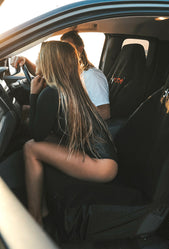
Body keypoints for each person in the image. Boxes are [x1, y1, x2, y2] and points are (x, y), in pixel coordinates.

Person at [23, 41, 118, 225]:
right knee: (42, 143)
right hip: (104, 160)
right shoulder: (70, 89)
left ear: (49, 61)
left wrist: (33, 94)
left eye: (39, 57)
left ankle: (35, 219)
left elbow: (36, 135)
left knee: (30, 148)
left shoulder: (50, 93)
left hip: (101, 165)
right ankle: (43, 212)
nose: (36, 60)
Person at [11, 31, 110, 120]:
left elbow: (105, 113)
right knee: (24, 110)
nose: (63, 51)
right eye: (61, 47)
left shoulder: (91, 75)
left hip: (80, 130)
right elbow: (43, 71)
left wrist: (71, 121)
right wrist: (25, 61)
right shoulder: (70, 73)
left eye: (67, 46)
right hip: (66, 121)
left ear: (80, 49)